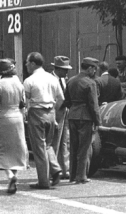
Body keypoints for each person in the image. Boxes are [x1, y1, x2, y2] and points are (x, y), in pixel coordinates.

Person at [24, 52, 64, 189]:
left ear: (33, 63)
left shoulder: (29, 81)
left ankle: (43, 181)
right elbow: (61, 98)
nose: (26, 65)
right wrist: (55, 113)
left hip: (36, 112)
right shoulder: (52, 78)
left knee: (39, 149)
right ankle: (55, 167)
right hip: (51, 112)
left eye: (27, 62)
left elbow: (26, 100)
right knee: (47, 145)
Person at [63, 57, 102, 184]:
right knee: (84, 148)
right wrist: (97, 122)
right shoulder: (90, 83)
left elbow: (67, 100)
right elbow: (93, 105)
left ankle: (72, 175)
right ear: (90, 68)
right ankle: (81, 176)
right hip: (86, 117)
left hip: (72, 115)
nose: (94, 72)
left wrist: (74, 108)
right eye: (94, 69)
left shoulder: (71, 81)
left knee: (74, 147)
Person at [0, 59, 28, 194]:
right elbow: (23, 104)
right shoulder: (19, 84)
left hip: (3, 117)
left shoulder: (0, 84)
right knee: (16, 149)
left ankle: (10, 176)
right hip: (18, 117)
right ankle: (14, 176)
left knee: (3, 150)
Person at [51, 56, 72, 180]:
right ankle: (53, 170)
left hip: (64, 113)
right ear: (58, 69)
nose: (67, 72)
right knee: (54, 142)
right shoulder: (51, 80)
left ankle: (65, 169)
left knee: (64, 142)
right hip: (55, 113)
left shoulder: (63, 80)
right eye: (65, 69)